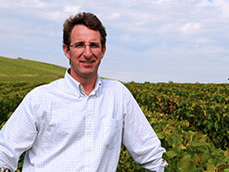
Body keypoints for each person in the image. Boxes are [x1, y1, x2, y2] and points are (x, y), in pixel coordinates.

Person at [0, 12, 167, 171]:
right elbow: (4, 152)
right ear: (67, 50)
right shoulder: (40, 99)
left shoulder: (119, 95)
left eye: (94, 45)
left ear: (103, 50)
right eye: (79, 45)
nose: (87, 54)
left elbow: (150, 153)